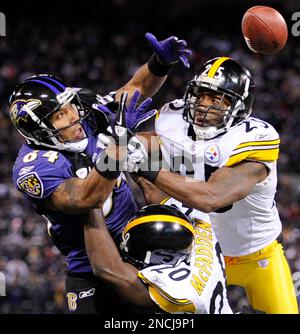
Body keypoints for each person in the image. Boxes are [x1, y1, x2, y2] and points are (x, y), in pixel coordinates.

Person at [9, 32, 192, 314]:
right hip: (90, 271)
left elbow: (134, 89)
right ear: (39, 128)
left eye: (70, 106)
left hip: (140, 249)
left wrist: (159, 63)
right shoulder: (34, 167)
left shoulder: (87, 117)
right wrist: (118, 143)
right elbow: (87, 197)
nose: (74, 116)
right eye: (60, 115)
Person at [124, 56, 299, 314]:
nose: (205, 105)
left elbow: (210, 197)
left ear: (239, 107)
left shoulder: (253, 139)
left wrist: (144, 167)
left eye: (218, 100)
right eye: (202, 95)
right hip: (198, 249)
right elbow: (153, 145)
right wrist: (125, 139)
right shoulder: (175, 122)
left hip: (256, 254)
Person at [84, 198, 233, 314]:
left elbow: (106, 268)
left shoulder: (181, 293)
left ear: (160, 256)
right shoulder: (198, 231)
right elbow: (156, 193)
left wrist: (92, 203)